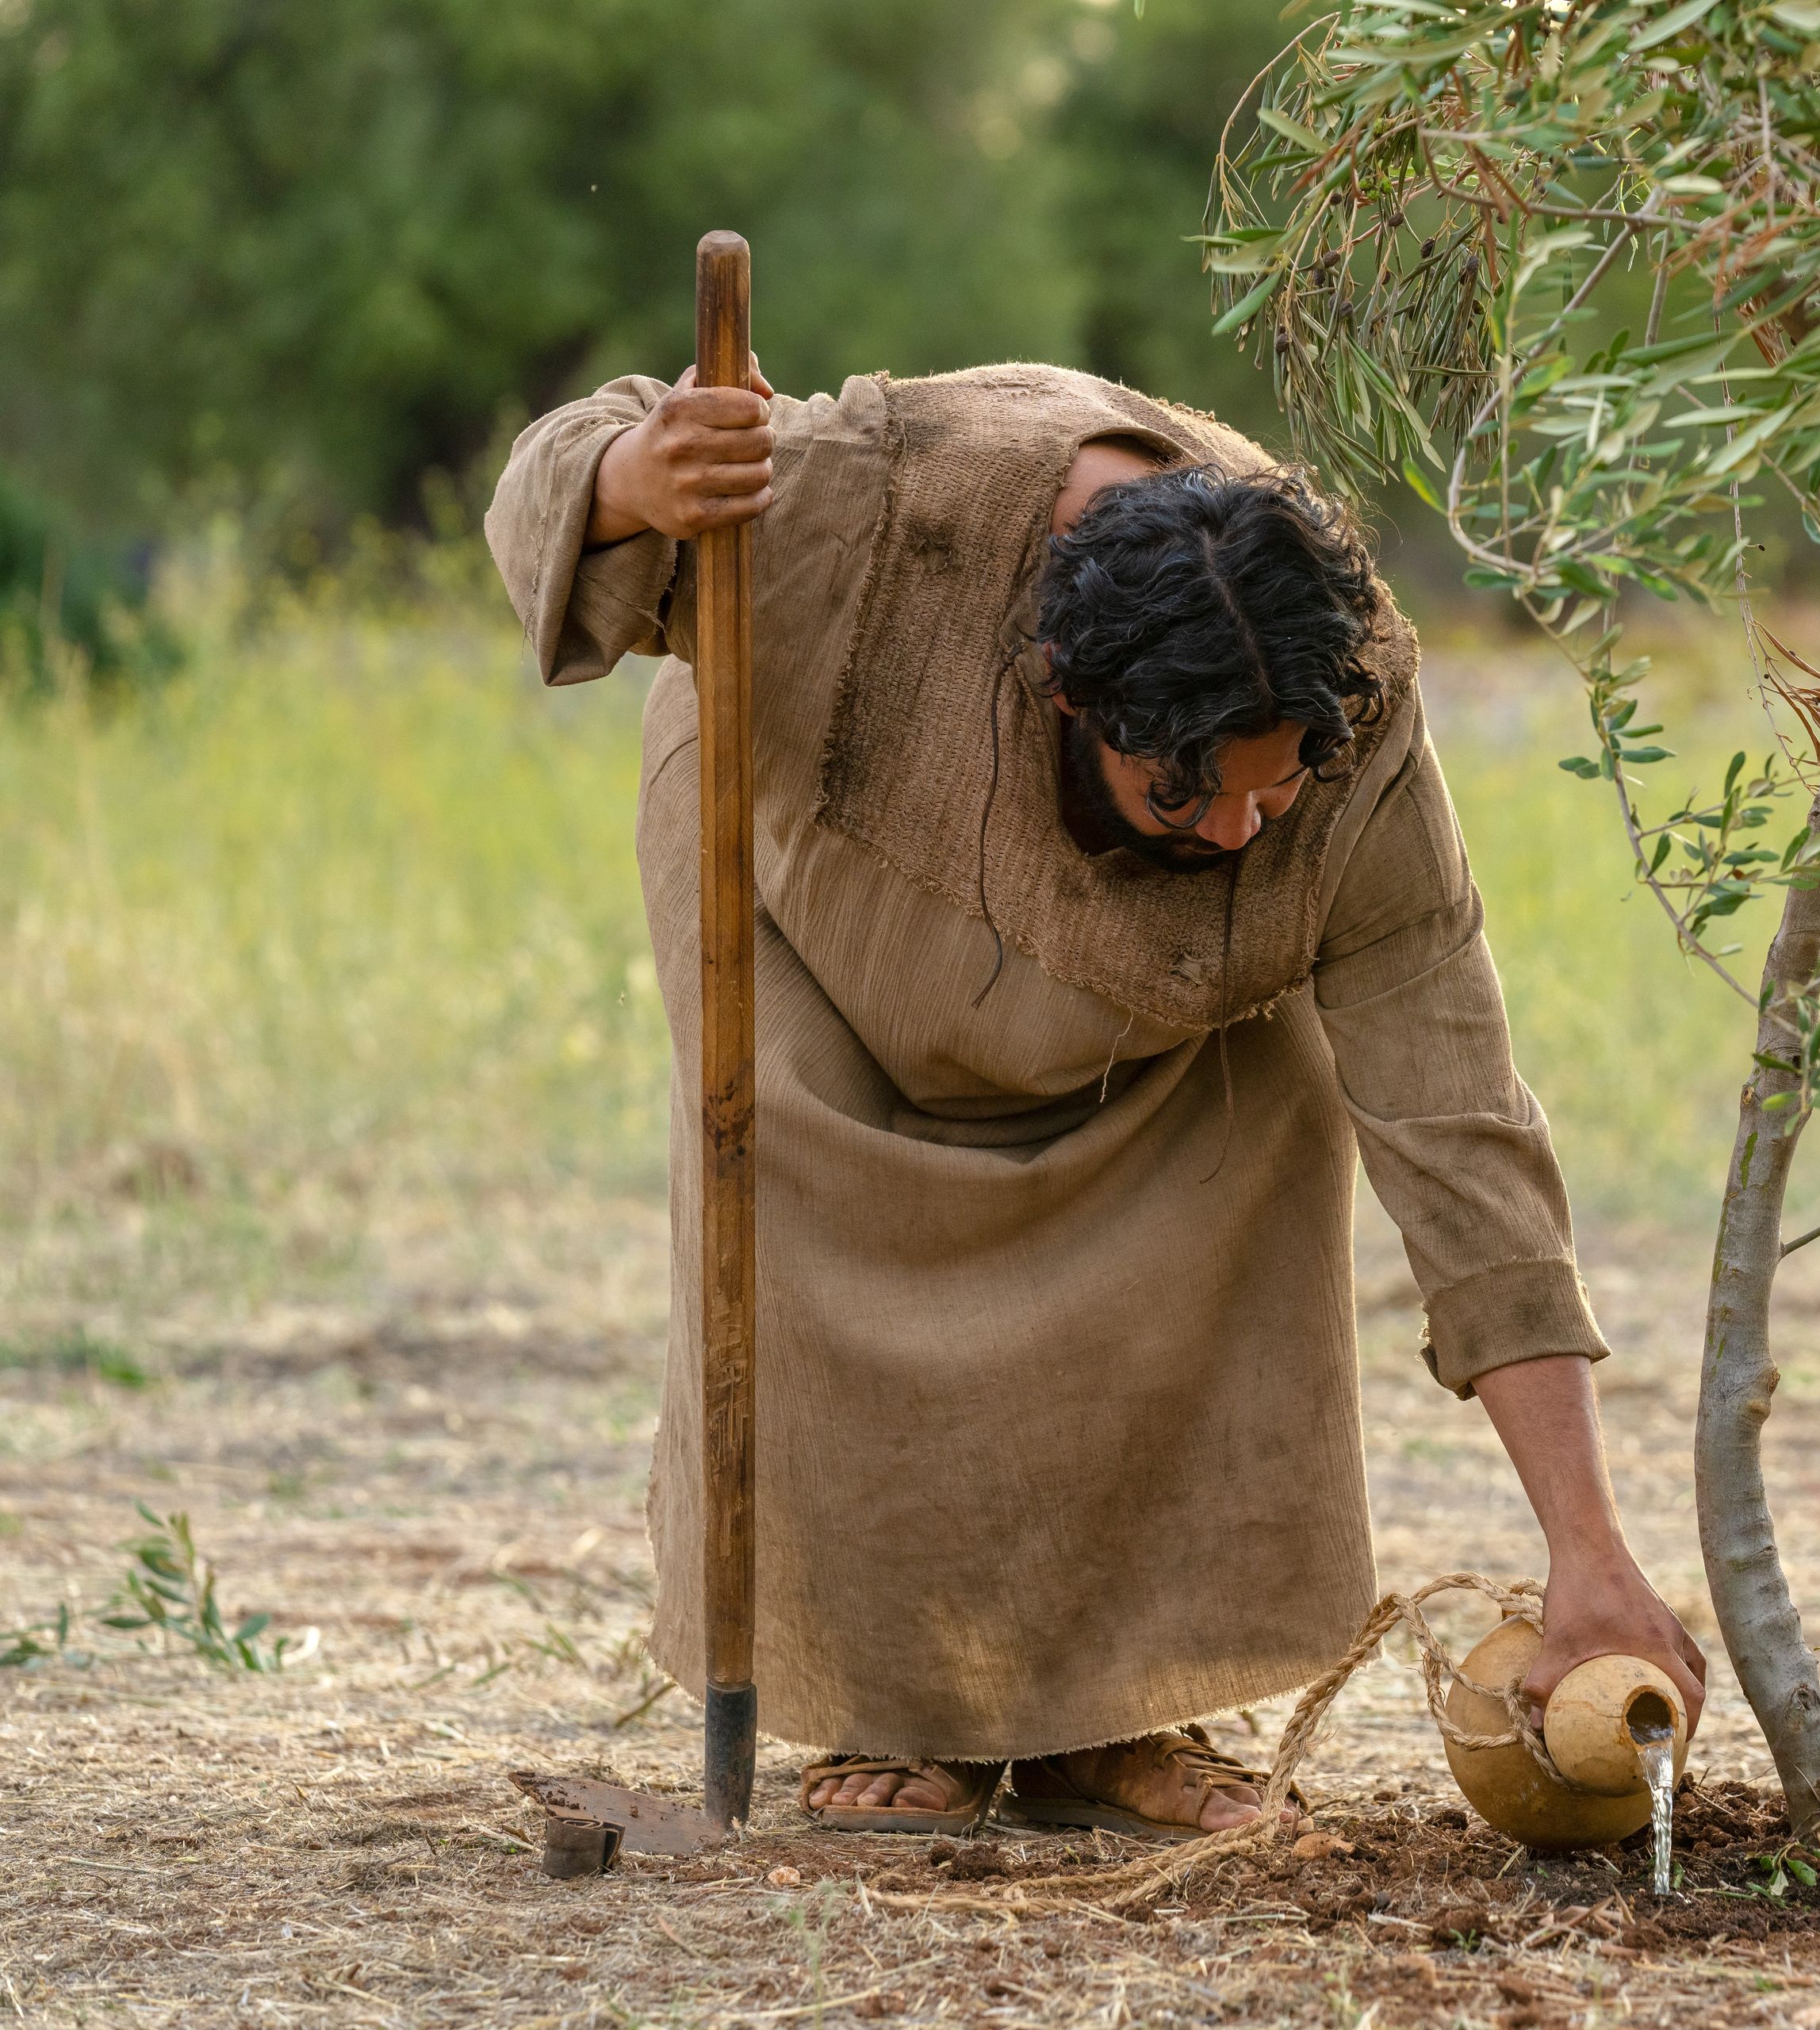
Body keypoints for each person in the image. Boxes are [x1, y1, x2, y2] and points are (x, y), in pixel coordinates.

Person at [485, 358, 1704, 1837]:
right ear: (1066, 695)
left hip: (1155, 1007)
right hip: (811, 883)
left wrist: (1588, 1546)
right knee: (814, 1217)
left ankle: (1118, 1717)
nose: (1244, 827)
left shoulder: (1353, 714)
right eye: (1189, 795)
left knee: (1269, 1132)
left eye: (1274, 791)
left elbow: (1457, 1121)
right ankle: (901, 1714)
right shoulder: (868, 512)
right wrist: (633, 482)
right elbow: (562, 463)